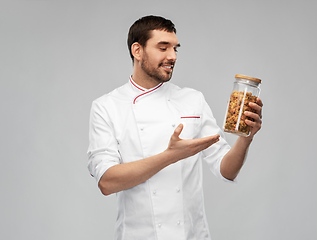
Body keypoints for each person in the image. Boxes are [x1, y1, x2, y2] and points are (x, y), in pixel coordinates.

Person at [87, 15, 263, 240]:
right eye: (163, 48)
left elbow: (226, 169)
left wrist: (247, 136)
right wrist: (170, 156)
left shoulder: (192, 100)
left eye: (175, 48)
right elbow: (107, 182)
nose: (173, 56)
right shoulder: (107, 106)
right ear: (137, 51)